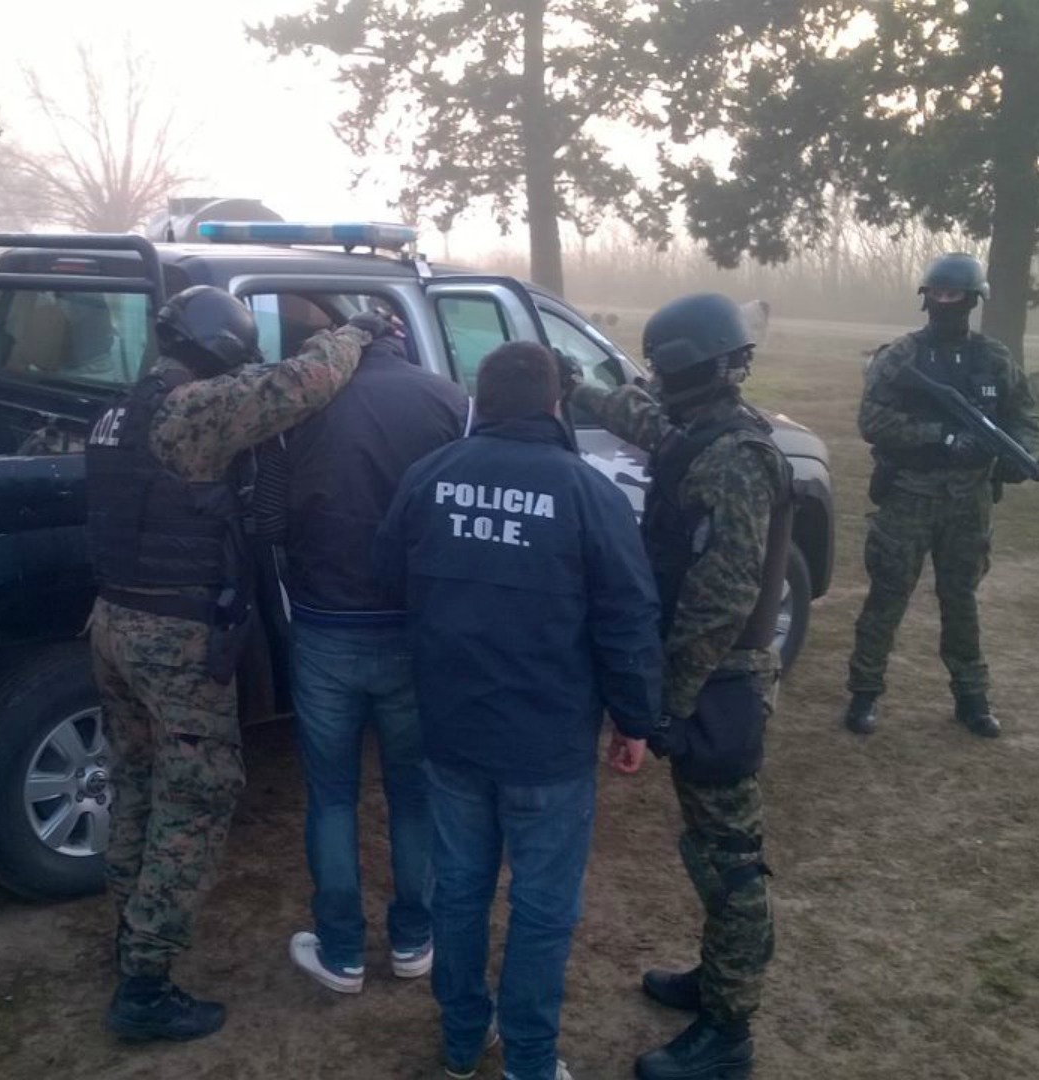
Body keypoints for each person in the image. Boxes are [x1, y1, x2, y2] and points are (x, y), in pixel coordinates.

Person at [85, 285, 382, 1042]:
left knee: (137, 784)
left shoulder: (121, 411)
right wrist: (351, 333)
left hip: (113, 623)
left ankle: (128, 936)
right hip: (173, 636)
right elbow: (303, 383)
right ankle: (146, 986)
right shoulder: (196, 410)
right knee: (199, 796)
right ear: (221, 350)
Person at [375, 341, 662, 1080]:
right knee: (542, 907)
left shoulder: (429, 476)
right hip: (548, 743)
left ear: (483, 398)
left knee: (460, 891)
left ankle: (463, 1039)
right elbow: (628, 618)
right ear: (555, 404)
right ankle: (529, 1060)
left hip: (453, 730)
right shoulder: (587, 492)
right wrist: (634, 719)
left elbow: (386, 578)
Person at [573, 293, 790, 1080]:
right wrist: (578, 385)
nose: (654, 385)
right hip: (709, 677)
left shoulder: (734, 458)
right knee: (708, 844)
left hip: (720, 681)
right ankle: (717, 977)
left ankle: (728, 1031)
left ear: (682, 369)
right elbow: (646, 421)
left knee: (729, 858)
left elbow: (721, 599)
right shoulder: (704, 431)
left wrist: (671, 697)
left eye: (660, 371)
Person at [264, 304, 467, 994]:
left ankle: (342, 951)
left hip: (325, 626)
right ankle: (414, 940)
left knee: (331, 797)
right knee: (413, 794)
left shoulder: (304, 401)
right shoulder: (449, 400)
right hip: (412, 628)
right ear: (401, 344)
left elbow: (270, 517)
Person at [843, 253, 1039, 739]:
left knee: (961, 600)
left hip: (969, 500)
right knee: (888, 596)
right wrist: (942, 436)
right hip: (909, 493)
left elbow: (1024, 417)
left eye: (953, 294)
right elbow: (873, 420)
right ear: (926, 298)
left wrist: (1019, 456)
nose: (943, 301)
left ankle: (972, 698)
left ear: (973, 300)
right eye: (936, 293)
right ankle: (864, 693)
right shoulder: (901, 356)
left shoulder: (994, 358)